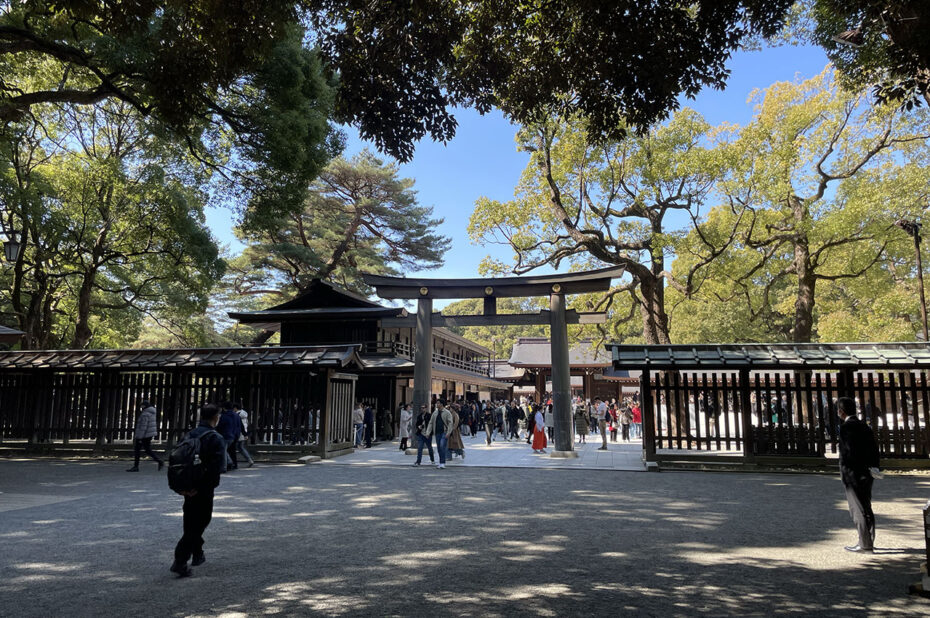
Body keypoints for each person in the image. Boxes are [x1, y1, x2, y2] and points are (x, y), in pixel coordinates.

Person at [170, 404, 226, 577]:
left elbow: (178, 461)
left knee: (190, 522)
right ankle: (180, 561)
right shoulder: (215, 438)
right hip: (203, 488)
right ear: (216, 417)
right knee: (199, 523)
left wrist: (183, 488)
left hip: (187, 486)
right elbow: (217, 467)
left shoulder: (189, 434)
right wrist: (203, 487)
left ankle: (198, 554)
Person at [837, 397, 880, 553]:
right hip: (867, 472)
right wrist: (874, 467)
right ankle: (869, 539)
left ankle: (864, 543)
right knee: (866, 506)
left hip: (852, 473)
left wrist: (844, 471)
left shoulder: (846, 428)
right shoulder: (864, 426)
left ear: (841, 411)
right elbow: (874, 449)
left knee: (857, 508)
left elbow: (847, 452)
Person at [127, 400, 163, 472]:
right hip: (148, 435)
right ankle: (159, 461)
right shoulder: (151, 412)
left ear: (144, 406)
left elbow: (143, 427)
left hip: (144, 435)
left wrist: (140, 437)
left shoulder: (145, 414)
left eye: (142, 406)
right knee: (147, 450)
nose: (141, 407)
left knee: (137, 450)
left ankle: (136, 466)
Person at [425, 403, 454, 469]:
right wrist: (428, 432)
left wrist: (449, 432)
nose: (437, 404)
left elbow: (450, 423)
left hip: (444, 432)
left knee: (442, 446)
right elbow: (431, 423)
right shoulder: (435, 413)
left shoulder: (447, 412)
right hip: (437, 432)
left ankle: (442, 462)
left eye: (438, 403)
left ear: (441, 404)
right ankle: (441, 462)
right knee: (439, 448)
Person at [215, 401, 241, 471]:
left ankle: (225, 466)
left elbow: (220, 426)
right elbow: (239, 426)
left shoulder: (224, 416)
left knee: (223, 451)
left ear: (224, 408)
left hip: (225, 435)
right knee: (229, 450)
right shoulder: (236, 415)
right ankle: (232, 464)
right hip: (234, 435)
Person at [233, 403, 255, 468]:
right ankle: (249, 460)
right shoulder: (244, 414)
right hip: (243, 432)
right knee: (241, 448)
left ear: (235, 408)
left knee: (237, 448)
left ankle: (232, 461)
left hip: (238, 433)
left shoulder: (237, 415)